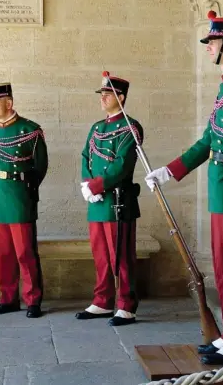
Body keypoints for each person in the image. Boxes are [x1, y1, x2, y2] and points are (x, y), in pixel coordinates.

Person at [145, 11, 223, 365]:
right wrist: (170, 170)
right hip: (219, 194)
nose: (208, 47)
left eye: (213, 41)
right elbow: (208, 140)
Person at [76, 72, 144, 326]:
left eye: (108, 94)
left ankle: (126, 304)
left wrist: (95, 185)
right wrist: (86, 185)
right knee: (101, 255)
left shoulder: (131, 127)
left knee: (122, 255)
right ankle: (103, 300)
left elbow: (122, 165)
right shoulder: (97, 128)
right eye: (102, 94)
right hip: (97, 201)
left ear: (121, 97)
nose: (102, 98)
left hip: (117, 201)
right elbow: (86, 156)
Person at [0, 80, 48, 318]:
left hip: (20, 195)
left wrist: (26, 193)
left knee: (25, 252)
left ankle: (32, 300)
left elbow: (40, 167)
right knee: (3, 253)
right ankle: (8, 298)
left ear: (9, 102)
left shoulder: (30, 130)